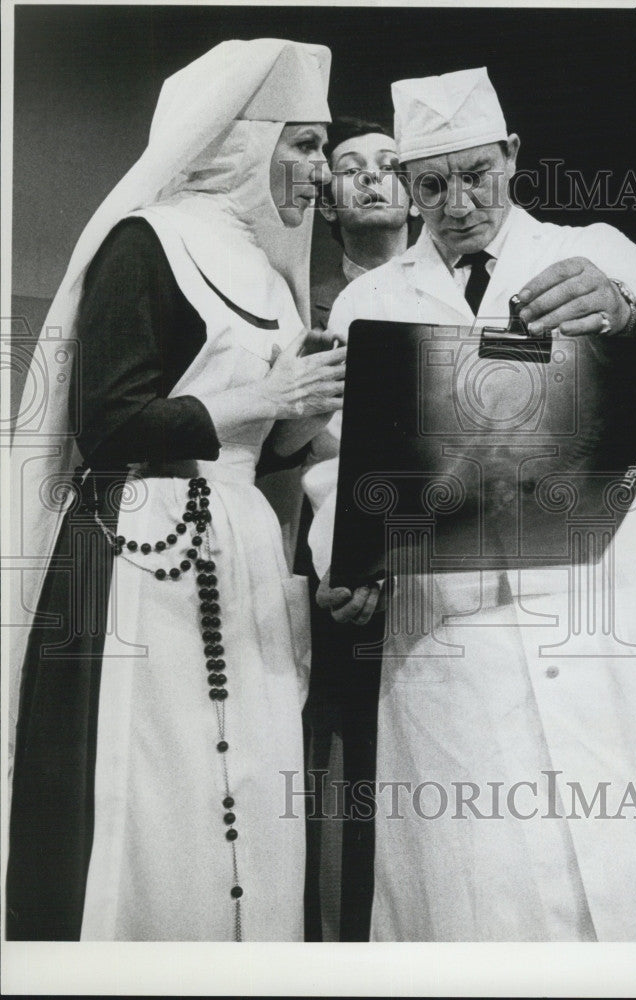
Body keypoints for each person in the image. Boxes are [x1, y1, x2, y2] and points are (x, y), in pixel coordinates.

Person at [313, 67, 636, 941]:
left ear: (512, 156)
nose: (458, 202)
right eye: (430, 184)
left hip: (607, 592)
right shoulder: (370, 300)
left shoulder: (585, 248)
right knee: (490, 885)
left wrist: (620, 308)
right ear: (405, 183)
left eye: (478, 174)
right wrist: (349, 562)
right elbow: (336, 461)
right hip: (452, 623)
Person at [6, 39, 346, 942]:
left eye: (322, 147)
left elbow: (259, 450)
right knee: (151, 790)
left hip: (237, 551)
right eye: (304, 145)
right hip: (142, 550)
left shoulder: (270, 275)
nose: (322, 171)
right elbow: (109, 425)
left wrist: (302, 415)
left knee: (251, 785)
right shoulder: (148, 241)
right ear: (244, 137)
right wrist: (266, 395)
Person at [301, 117, 412, 941]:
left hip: (442, 571)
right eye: (350, 167)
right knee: (317, 766)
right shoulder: (296, 309)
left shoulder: (464, 296)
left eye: (389, 164)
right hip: (333, 570)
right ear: (330, 200)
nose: (373, 178)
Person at [310, 116, 412, 329]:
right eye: (352, 171)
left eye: (387, 167)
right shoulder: (303, 309)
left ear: (415, 201)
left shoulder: (457, 287)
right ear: (328, 207)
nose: (371, 176)